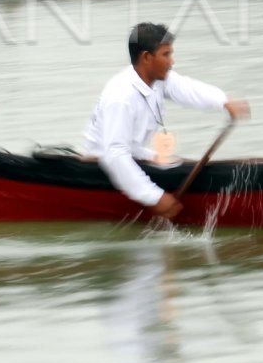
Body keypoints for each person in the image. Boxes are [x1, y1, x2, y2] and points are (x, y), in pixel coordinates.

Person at [84, 23, 251, 220]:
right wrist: (155, 197)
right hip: (103, 164)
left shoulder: (157, 79)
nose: (171, 62)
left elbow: (186, 88)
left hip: (135, 153)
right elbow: (115, 155)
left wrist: (224, 101)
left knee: (173, 161)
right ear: (147, 57)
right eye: (166, 54)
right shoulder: (120, 97)